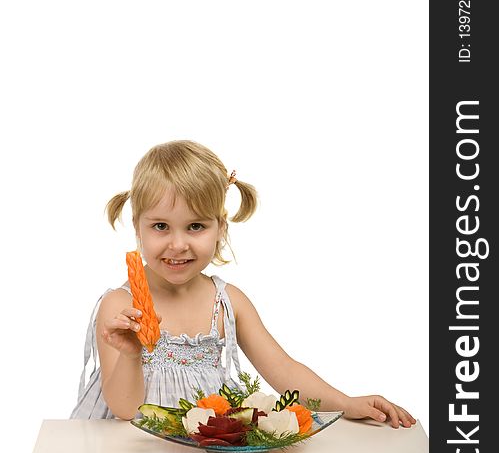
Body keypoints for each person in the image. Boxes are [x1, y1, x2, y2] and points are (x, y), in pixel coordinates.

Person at [71, 140, 416, 428]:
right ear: (138, 226)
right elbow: (125, 410)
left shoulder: (226, 303)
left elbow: (283, 370)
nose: (178, 244)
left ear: (220, 228)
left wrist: (345, 403)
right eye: (161, 226)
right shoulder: (120, 306)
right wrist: (132, 355)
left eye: (195, 226)